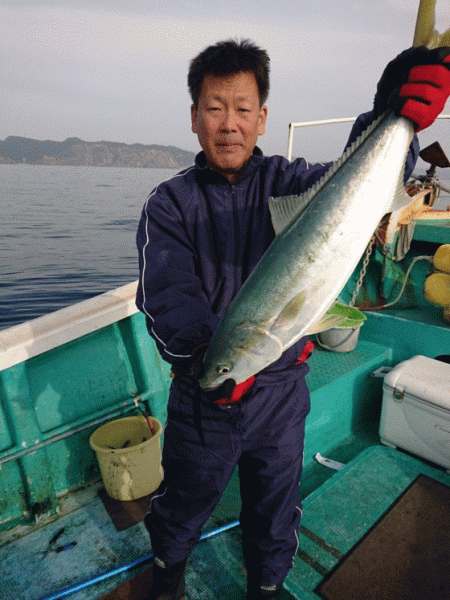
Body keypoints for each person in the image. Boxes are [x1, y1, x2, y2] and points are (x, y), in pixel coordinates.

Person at [136, 39, 450, 599]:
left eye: (241, 109)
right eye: (213, 108)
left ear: (261, 119)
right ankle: (167, 568)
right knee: (185, 497)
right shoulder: (170, 204)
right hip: (206, 394)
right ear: (193, 118)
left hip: (282, 392)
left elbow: (357, 183)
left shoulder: (292, 183)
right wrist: (212, 361)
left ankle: (269, 583)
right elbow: (168, 296)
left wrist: (390, 114)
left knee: (276, 501)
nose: (227, 124)